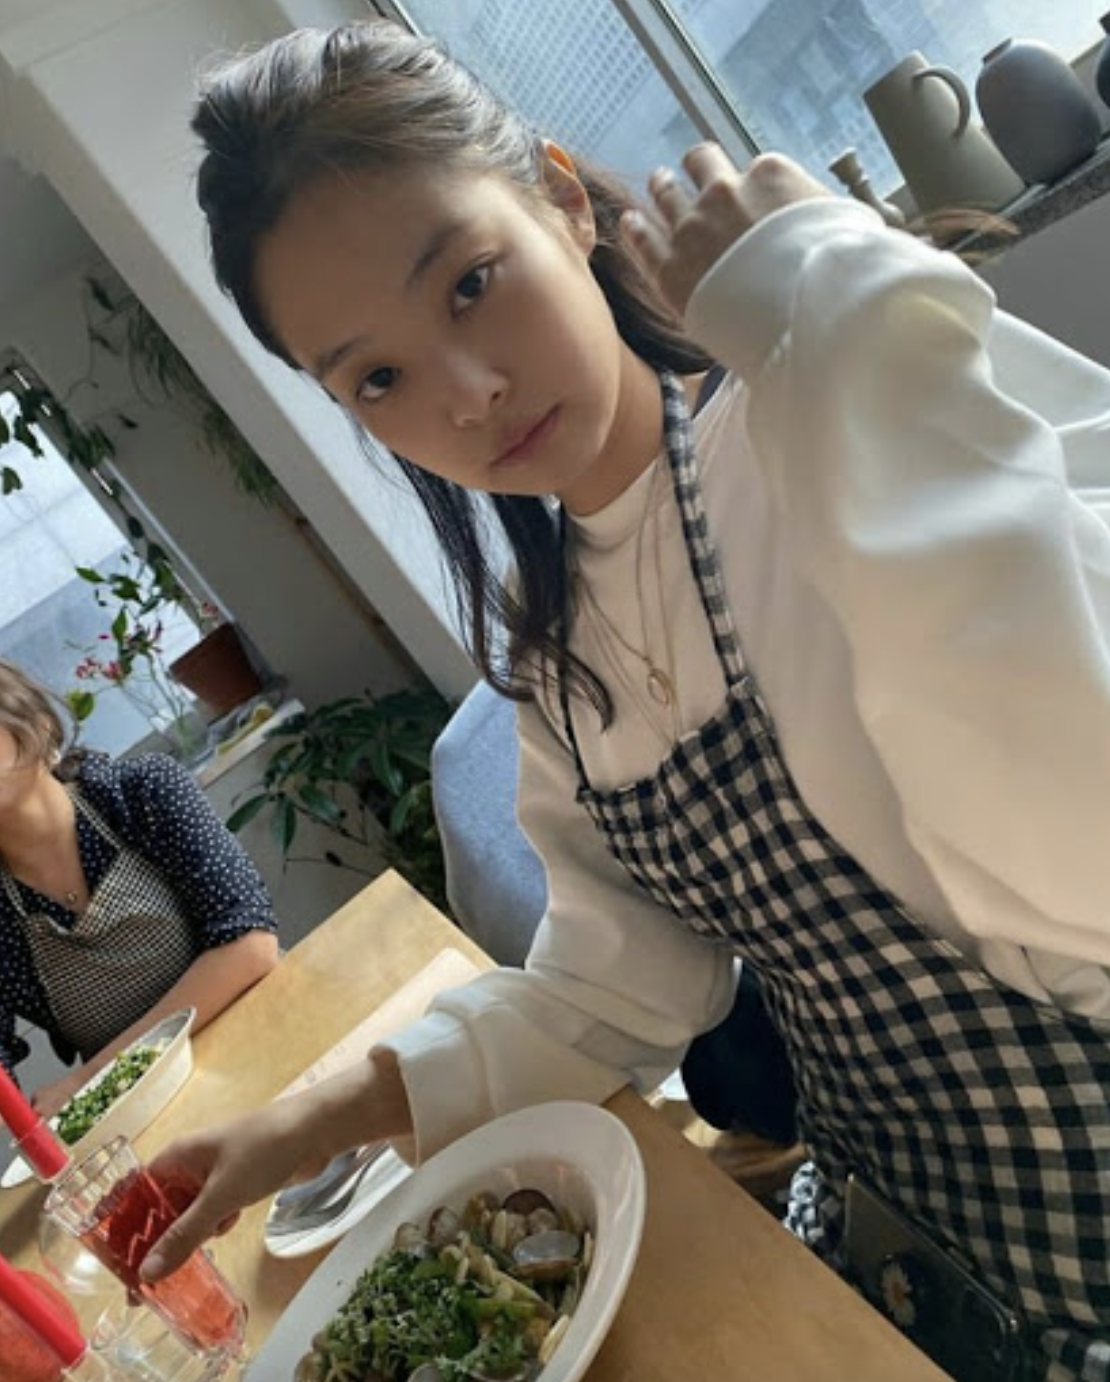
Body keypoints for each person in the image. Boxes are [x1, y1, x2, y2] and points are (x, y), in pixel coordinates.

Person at [143, 19, 1110, 1378]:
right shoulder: (553, 653)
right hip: (905, 1246)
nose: (467, 393)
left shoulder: (827, 399)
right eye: (377, 377)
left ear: (555, 195)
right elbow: (610, 989)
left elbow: (1080, 833)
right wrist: (296, 1124)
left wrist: (820, 308)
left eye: (472, 282)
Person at [0, 659, 280, 1116]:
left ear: (36, 722)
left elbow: (249, 946)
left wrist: (92, 1079)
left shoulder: (143, 792)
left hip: (273, 1034)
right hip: (148, 1117)